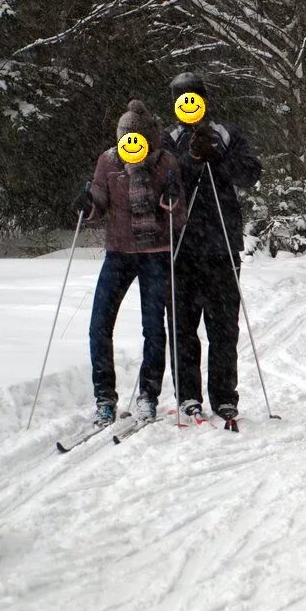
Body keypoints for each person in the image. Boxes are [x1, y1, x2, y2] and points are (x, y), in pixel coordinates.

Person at [73, 100, 186, 426]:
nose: (130, 146)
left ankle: (148, 396)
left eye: (136, 139)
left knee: (153, 328)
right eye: (125, 139)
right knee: (98, 326)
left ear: (148, 139)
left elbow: (178, 215)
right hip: (119, 253)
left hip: (156, 254)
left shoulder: (166, 162)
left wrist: (171, 197)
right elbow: (99, 198)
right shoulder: (108, 161)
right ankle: (104, 399)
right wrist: (88, 203)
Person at [163, 72, 262, 422]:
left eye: (193, 97)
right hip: (181, 248)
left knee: (223, 328)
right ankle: (188, 396)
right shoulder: (166, 141)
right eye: (181, 98)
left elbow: (250, 174)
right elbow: (152, 183)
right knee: (182, 329)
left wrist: (220, 157)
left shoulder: (228, 134)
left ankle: (223, 396)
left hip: (221, 245)